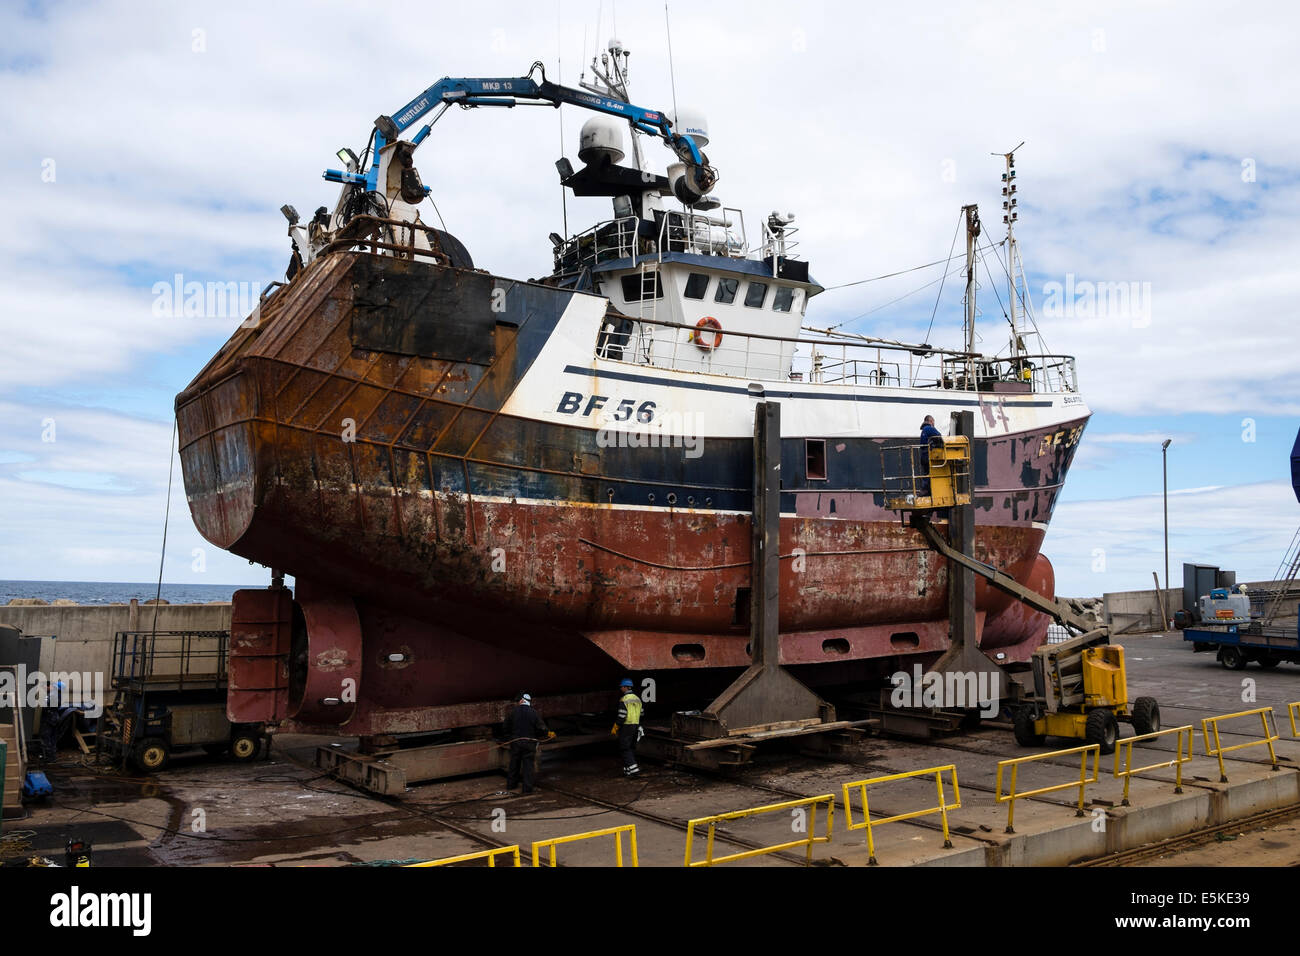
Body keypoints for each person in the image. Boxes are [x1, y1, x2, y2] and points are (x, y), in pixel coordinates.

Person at [503, 692, 553, 794]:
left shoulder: (513, 712)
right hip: (529, 743)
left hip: (516, 742)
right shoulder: (533, 712)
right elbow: (542, 729)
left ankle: (511, 786)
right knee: (528, 766)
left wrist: (510, 737)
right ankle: (527, 790)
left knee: (514, 764)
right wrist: (547, 734)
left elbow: (505, 728)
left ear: (521, 700)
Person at [611, 678, 643, 777]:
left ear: (625, 687)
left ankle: (634, 770)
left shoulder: (624, 699)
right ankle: (628, 770)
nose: (621, 689)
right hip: (636, 725)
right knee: (631, 747)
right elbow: (642, 713)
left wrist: (616, 726)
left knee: (625, 748)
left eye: (621, 687)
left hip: (627, 726)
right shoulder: (637, 699)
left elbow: (622, 715)